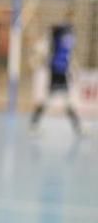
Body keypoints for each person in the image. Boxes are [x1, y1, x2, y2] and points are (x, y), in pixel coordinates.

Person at [29, 8, 84, 136]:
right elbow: (45, 41)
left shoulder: (71, 34)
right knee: (56, 99)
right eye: (72, 17)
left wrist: (75, 68)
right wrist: (36, 55)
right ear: (68, 17)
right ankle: (34, 125)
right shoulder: (58, 31)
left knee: (65, 100)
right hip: (56, 70)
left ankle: (34, 124)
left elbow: (69, 54)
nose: (74, 20)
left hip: (63, 71)